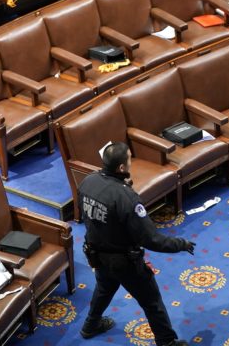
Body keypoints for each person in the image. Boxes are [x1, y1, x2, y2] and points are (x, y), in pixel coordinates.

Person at [78, 142, 195, 345]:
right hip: (124, 261)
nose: (132, 161)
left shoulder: (87, 181)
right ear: (121, 168)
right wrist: (181, 244)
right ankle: (166, 342)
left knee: (104, 288)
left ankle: (90, 325)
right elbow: (152, 239)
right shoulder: (126, 198)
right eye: (130, 158)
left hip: (96, 253)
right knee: (151, 302)